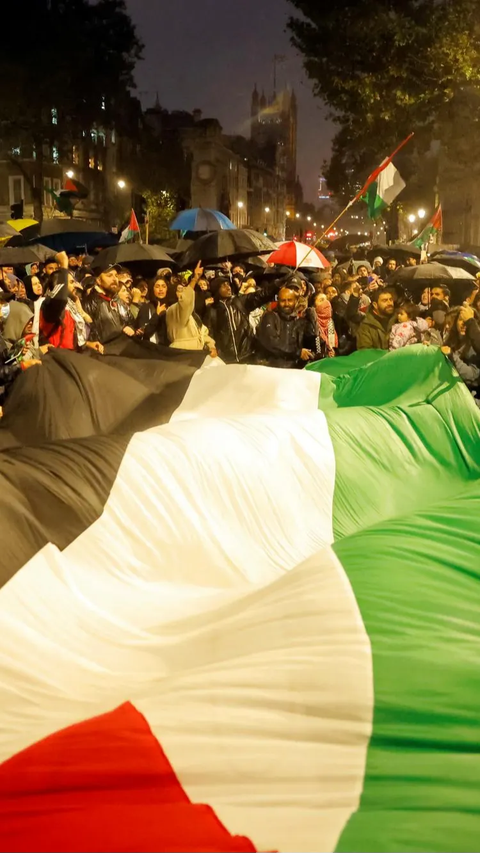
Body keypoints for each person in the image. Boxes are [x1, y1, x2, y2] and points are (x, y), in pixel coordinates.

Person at [208, 274, 281, 364]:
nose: (228, 288)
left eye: (228, 284)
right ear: (216, 290)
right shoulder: (212, 311)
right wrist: (213, 348)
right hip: (226, 361)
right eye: (223, 285)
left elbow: (261, 295)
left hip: (248, 355)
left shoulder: (240, 302)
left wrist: (277, 284)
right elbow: (209, 334)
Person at [40, 252, 103, 353]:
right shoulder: (49, 303)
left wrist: (87, 344)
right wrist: (64, 265)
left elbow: (78, 334)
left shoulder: (71, 305)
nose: (75, 285)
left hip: (73, 356)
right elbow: (59, 297)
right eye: (71, 282)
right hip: (56, 359)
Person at [256, 285, 313, 368]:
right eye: (283, 301)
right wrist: (297, 352)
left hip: (295, 370)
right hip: (272, 369)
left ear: (296, 301)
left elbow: (311, 341)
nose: (286, 304)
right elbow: (271, 343)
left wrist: (312, 318)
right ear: (278, 301)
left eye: (289, 300)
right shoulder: (269, 317)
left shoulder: (301, 322)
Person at [166, 262, 217, 355]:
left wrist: (211, 345)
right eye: (180, 290)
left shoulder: (191, 313)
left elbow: (202, 332)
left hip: (197, 351)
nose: (183, 292)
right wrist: (194, 279)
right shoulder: (172, 310)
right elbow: (185, 301)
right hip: (183, 353)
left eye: (184, 289)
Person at [82, 264, 135, 344]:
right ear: (99, 280)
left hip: (125, 346)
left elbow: (131, 321)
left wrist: (131, 328)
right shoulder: (91, 303)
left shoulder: (119, 301)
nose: (114, 279)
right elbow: (87, 334)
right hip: (106, 352)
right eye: (109, 276)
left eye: (116, 275)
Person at [0, 300, 40, 404]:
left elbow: (4, 359)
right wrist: (22, 366)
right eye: (26, 319)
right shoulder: (3, 343)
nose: (30, 323)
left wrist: (15, 353)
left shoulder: (22, 343)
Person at [442, 306, 480, 391]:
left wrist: (452, 356)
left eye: (467, 321)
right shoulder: (451, 341)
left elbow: (472, 375)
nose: (463, 323)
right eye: (461, 320)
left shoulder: (474, 346)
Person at [135, 276, 169, 346]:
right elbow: (144, 333)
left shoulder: (170, 307)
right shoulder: (146, 307)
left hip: (169, 350)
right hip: (153, 350)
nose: (160, 289)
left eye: (163, 286)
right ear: (152, 289)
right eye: (157, 286)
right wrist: (157, 315)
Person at [306, 292, 337, 359]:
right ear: (314, 306)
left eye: (326, 300)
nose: (326, 303)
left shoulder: (330, 322)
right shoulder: (309, 322)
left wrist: (331, 351)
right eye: (321, 300)